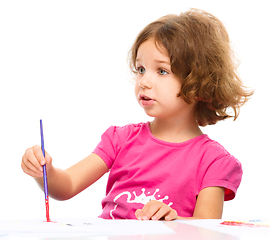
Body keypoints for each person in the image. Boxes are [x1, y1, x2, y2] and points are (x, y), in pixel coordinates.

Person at [21, 9, 253, 221]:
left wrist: (174, 219)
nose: (144, 81)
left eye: (162, 71)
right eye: (141, 69)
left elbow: (207, 229)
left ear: (199, 84)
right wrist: (44, 172)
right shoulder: (119, 140)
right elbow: (68, 185)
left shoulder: (213, 161)